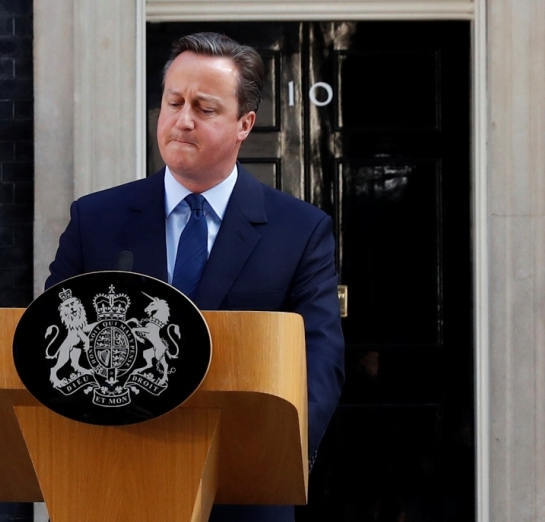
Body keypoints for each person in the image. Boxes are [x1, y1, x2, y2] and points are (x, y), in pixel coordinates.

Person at [46, 32, 345, 522]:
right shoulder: (94, 219)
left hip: (243, 497)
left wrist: (267, 462)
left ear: (245, 123)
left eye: (204, 108)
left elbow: (320, 363)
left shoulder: (300, 230)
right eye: (173, 102)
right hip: (113, 485)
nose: (182, 121)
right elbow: (52, 342)